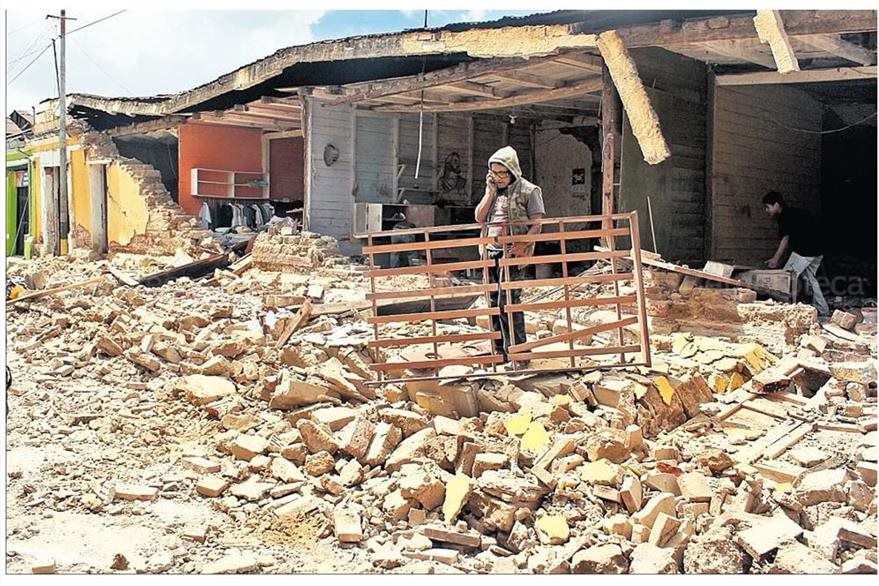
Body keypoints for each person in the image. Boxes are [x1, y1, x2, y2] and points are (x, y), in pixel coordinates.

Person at [475, 146, 545, 361]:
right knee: (493, 302)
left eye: (501, 173)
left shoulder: (529, 190)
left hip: (513, 254)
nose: (498, 178)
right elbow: (479, 217)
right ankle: (499, 350)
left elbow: (537, 225)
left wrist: (523, 246)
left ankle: (519, 352)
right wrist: (489, 192)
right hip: (490, 252)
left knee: (510, 303)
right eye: (493, 173)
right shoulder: (494, 191)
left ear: (512, 170)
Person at [763, 191, 829, 317]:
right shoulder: (795, 212)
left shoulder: (784, 216)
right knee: (811, 278)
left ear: (776, 205)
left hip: (805, 251)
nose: (767, 210)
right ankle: (823, 310)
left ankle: (784, 310)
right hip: (818, 250)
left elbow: (785, 239)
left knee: (785, 277)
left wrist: (775, 259)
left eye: (768, 207)